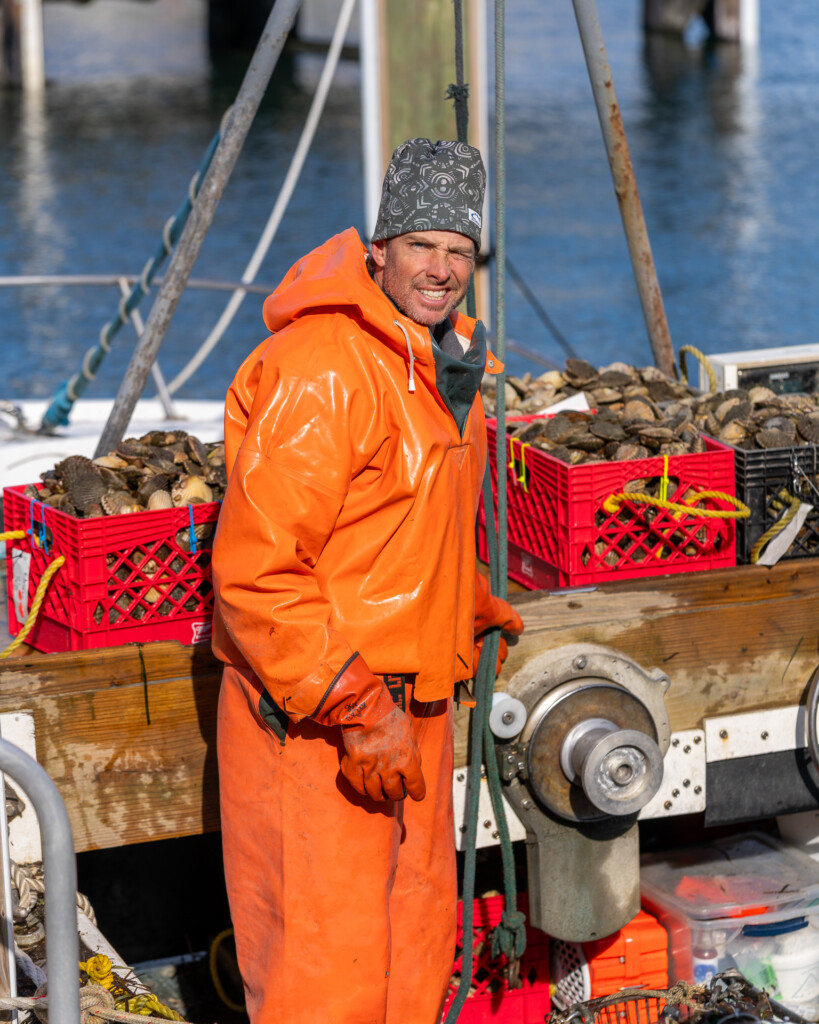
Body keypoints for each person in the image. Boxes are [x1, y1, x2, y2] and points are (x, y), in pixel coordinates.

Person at [211, 137, 524, 1024]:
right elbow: (256, 573)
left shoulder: (434, 360)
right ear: (378, 249)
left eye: (460, 252)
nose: (442, 268)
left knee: (412, 960)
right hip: (318, 723)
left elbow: (399, 520)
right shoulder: (324, 366)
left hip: (410, 714)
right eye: (423, 245)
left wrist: (462, 602)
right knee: (325, 981)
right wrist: (357, 707)